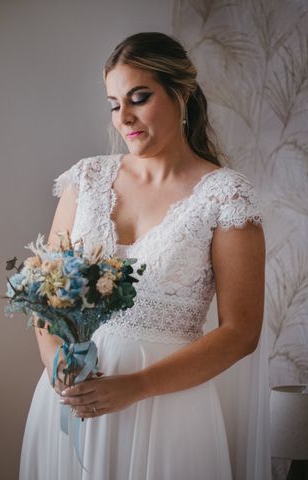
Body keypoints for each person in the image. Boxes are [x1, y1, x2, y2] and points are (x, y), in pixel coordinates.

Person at [19, 32, 270, 480]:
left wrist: (137, 386)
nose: (124, 117)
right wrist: (56, 362)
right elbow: (45, 292)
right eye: (115, 104)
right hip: (73, 400)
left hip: (168, 408)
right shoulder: (87, 178)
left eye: (139, 97)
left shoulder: (225, 196)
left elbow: (241, 331)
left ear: (182, 93)